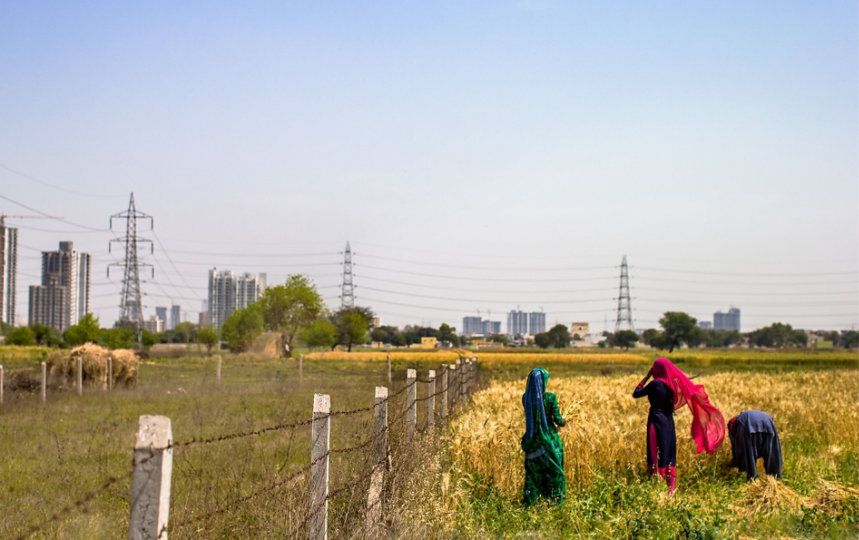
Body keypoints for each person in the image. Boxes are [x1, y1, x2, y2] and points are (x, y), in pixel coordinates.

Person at [633, 358, 726, 496]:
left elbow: (636, 393)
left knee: (655, 453)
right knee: (668, 452)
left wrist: (646, 377)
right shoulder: (672, 386)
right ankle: (670, 493)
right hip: (669, 423)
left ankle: (656, 491)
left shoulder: (655, 384)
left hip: (656, 421)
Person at [521, 367, 566, 505]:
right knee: (554, 472)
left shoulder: (526, 398)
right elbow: (559, 420)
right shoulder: (550, 398)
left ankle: (531, 502)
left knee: (533, 473)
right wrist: (563, 420)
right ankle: (555, 501)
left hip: (532, 439)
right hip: (549, 440)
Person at [727, 410, 782, 481]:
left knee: (748, 453)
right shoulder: (741, 418)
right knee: (772, 453)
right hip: (768, 422)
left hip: (747, 423)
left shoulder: (733, 423)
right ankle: (775, 478)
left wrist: (737, 462)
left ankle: (752, 479)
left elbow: (737, 447)